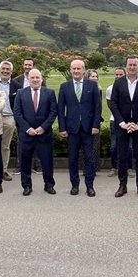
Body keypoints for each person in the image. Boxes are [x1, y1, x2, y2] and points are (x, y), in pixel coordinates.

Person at [109, 55, 138, 198]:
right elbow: (113, 103)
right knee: (122, 156)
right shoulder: (119, 83)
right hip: (122, 125)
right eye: (130, 65)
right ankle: (122, 185)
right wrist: (122, 123)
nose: (132, 67)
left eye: (135, 64)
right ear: (126, 66)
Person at [58, 59, 102, 197]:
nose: (76, 71)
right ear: (71, 70)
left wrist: (96, 125)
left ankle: (90, 186)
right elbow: (60, 110)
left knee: (89, 158)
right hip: (72, 129)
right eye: (74, 69)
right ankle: (75, 185)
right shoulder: (64, 87)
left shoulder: (92, 85)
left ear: (84, 70)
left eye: (79, 69)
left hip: (88, 129)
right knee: (73, 159)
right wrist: (62, 128)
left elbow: (97, 107)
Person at [13, 69, 58, 197]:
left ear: (41, 79)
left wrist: (43, 127)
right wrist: (28, 128)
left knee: (47, 161)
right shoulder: (21, 93)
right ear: (29, 79)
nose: (35, 80)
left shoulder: (49, 93)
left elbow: (53, 112)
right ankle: (26, 186)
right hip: (26, 135)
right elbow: (17, 113)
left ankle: (49, 185)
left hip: (44, 134)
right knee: (25, 161)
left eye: (37, 77)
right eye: (32, 77)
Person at [11, 57, 41, 176]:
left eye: (30, 65)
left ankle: (37, 166)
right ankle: (20, 166)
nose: (27, 67)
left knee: (37, 141)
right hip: (21, 118)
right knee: (21, 142)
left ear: (33, 66)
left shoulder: (39, 79)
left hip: (37, 116)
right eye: (26, 65)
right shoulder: (17, 80)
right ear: (23, 66)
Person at [106, 67, 129, 177]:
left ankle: (128, 168)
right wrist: (119, 118)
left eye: (121, 74)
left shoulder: (129, 87)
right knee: (114, 146)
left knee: (129, 147)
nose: (118, 76)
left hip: (128, 121)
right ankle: (114, 167)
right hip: (114, 120)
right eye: (117, 74)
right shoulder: (110, 88)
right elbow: (110, 105)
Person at [83, 69, 103, 174]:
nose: (95, 78)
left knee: (95, 145)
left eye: (96, 76)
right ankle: (86, 168)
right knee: (85, 146)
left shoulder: (99, 89)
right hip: (85, 120)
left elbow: (99, 107)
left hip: (95, 121)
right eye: (92, 76)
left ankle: (94, 168)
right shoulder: (84, 89)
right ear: (87, 77)